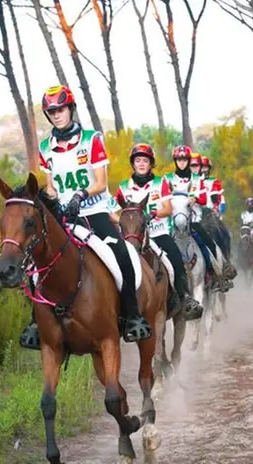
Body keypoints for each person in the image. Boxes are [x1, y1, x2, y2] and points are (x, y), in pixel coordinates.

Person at [17, 84, 153, 351]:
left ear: (71, 109)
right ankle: (36, 321)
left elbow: (101, 182)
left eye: (61, 109)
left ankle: (132, 316)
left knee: (122, 254)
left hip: (94, 211)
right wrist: (53, 202)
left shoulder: (92, 139)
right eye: (51, 111)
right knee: (38, 260)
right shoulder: (46, 148)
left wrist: (80, 195)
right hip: (64, 216)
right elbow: (51, 185)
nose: (56, 115)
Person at [112, 143, 204, 321]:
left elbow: (168, 209)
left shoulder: (160, 182)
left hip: (158, 233)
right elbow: (113, 212)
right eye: (137, 160)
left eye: (145, 161)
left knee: (176, 261)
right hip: (132, 237)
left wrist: (150, 215)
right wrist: (125, 223)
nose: (141, 164)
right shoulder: (123, 187)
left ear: (150, 163)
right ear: (133, 163)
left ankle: (185, 298)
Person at [165, 146, 236, 291]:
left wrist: (195, 198)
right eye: (179, 159)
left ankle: (216, 273)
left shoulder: (197, 180)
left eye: (185, 159)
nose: (182, 163)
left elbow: (204, 199)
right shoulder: (167, 179)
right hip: (172, 222)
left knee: (208, 241)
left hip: (194, 220)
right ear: (175, 161)